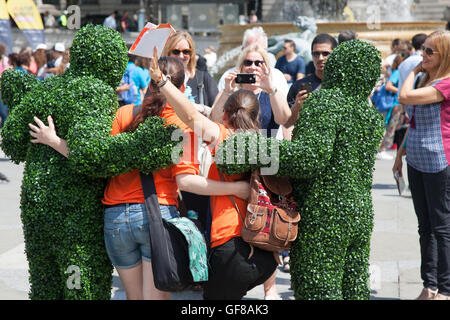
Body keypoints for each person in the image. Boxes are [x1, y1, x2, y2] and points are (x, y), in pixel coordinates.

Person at [28, 56, 250, 300]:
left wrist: (54, 141)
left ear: (148, 84)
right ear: (183, 89)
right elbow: (185, 182)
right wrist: (238, 189)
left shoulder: (124, 113)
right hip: (158, 216)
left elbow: (95, 158)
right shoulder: (181, 126)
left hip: (115, 219)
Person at [217, 39, 385, 300]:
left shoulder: (325, 104)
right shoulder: (371, 115)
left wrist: (244, 147)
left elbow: (309, 158)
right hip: (359, 214)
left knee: (319, 289)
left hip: (324, 214)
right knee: (354, 287)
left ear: (338, 65)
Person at [148, 46, 278, 300]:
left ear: (227, 115)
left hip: (230, 244)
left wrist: (162, 81)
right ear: (257, 114)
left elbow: (189, 116)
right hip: (266, 249)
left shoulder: (226, 137)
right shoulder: (266, 144)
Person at [393, 30, 450, 300]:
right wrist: (398, 155)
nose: (422, 55)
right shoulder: (423, 79)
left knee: (441, 227)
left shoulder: (445, 84)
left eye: (429, 52)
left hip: (439, 160)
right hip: (416, 158)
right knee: (424, 226)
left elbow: (403, 98)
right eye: (422, 50)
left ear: (445, 56)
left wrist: (413, 68)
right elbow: (412, 123)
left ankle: (446, 290)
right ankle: (429, 286)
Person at [161, 30, 219, 241]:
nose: (181, 55)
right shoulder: (159, 80)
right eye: (176, 51)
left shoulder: (202, 78)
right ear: (168, 51)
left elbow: (216, 115)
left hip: (197, 156)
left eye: (186, 51)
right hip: (168, 154)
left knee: (198, 215)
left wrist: (197, 109)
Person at [211, 44, 291, 139]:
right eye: (248, 62)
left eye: (258, 63)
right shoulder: (229, 91)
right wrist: (227, 91)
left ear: (265, 67)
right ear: (241, 66)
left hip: (267, 150)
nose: (253, 67)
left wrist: (270, 89)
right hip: (233, 150)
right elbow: (215, 120)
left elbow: (284, 120)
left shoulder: (273, 93)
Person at [285, 33, 338, 129]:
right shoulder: (299, 86)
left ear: (335, 54)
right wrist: (297, 106)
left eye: (325, 53)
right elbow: (286, 124)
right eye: (316, 53)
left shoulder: (343, 85)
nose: (320, 58)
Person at [376, 51, 410, 160]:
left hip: (396, 104)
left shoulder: (396, 72)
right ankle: (382, 150)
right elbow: (388, 86)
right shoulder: (398, 72)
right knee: (390, 127)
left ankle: (382, 149)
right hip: (395, 104)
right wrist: (401, 91)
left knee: (392, 127)